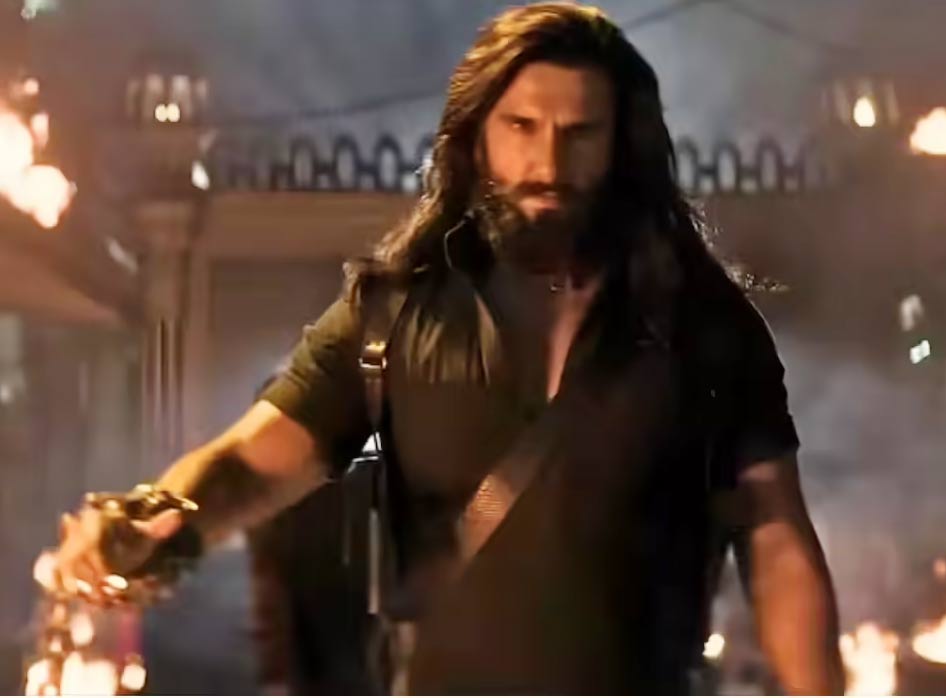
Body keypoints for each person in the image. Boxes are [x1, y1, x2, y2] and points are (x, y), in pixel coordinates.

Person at [52, 3, 844, 694]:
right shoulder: (393, 318)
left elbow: (775, 541)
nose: (547, 165)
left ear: (622, 146)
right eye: (521, 129)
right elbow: (251, 464)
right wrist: (162, 518)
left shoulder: (705, 329)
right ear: (477, 139)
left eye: (579, 134)